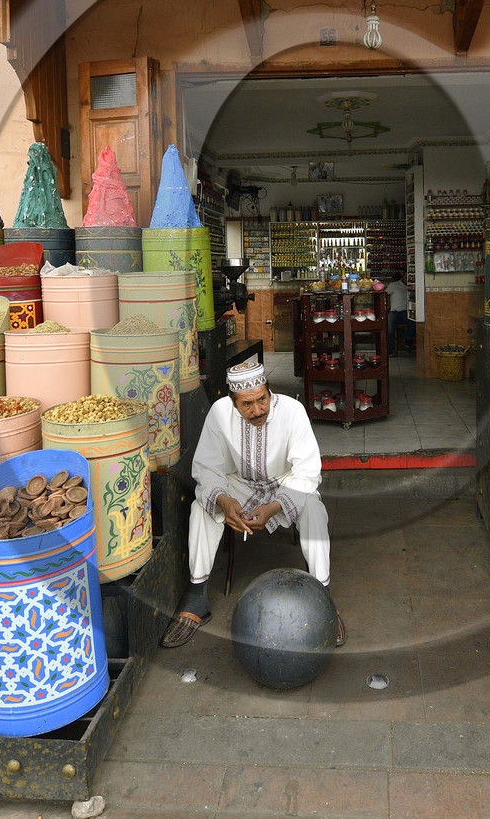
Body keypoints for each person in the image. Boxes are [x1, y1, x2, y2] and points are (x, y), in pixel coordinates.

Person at [161, 358, 343, 649]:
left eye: (262, 399)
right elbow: (207, 468)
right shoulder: (219, 413)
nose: (257, 410)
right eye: (247, 404)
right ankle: (197, 600)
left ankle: (324, 598)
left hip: (284, 483)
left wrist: (274, 507)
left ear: (269, 391)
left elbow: (307, 472)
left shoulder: (293, 411)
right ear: (233, 402)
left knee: (314, 510)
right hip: (240, 485)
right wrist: (224, 501)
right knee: (200, 509)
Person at [386, 275, 411, 352]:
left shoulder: (413, 285)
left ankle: (407, 336)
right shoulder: (394, 285)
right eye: (406, 276)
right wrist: (387, 306)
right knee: (390, 327)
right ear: (403, 275)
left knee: (417, 320)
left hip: (407, 312)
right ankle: (390, 350)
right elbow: (385, 294)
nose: (407, 278)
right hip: (395, 312)